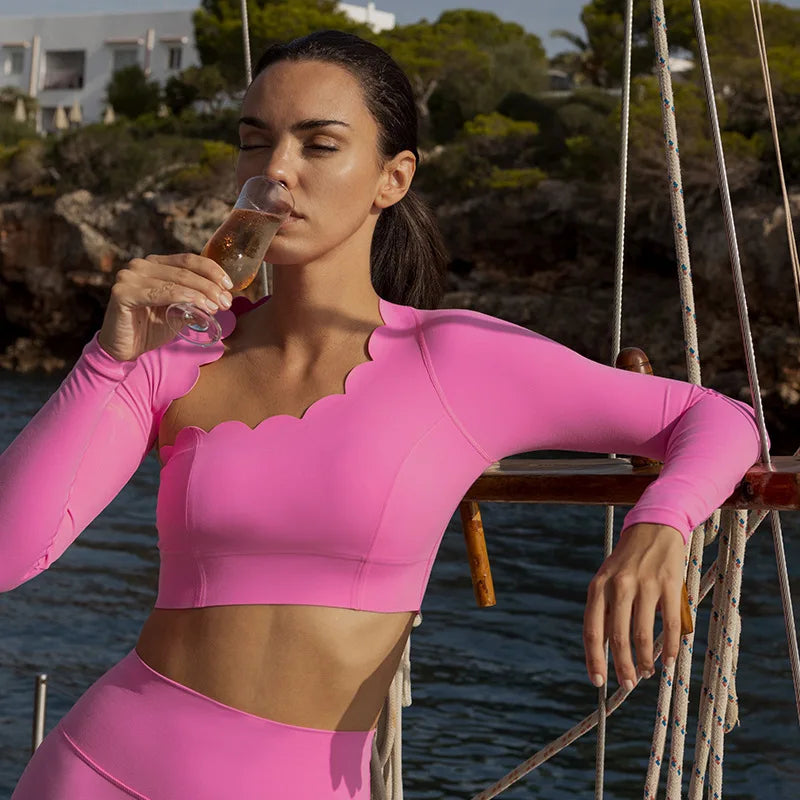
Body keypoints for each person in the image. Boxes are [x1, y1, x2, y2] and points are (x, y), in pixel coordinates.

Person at [1, 30, 763, 800]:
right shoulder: (176, 353)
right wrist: (107, 360)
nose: (276, 170)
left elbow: (718, 416)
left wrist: (658, 525)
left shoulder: (456, 360)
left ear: (392, 179)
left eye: (319, 144)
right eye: (254, 142)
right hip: (100, 772)